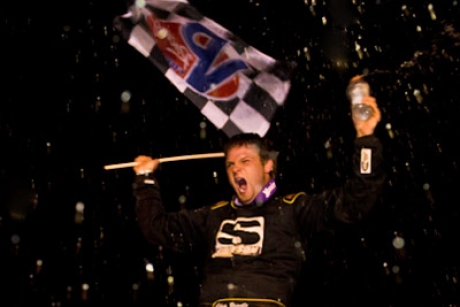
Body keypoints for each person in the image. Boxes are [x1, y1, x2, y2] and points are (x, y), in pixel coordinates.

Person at [131, 91, 384, 307]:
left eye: (245, 161)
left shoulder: (292, 208)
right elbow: (157, 228)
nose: (235, 170)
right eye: (230, 164)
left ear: (268, 167)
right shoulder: (215, 215)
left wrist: (365, 138)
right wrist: (145, 179)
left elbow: (354, 201)